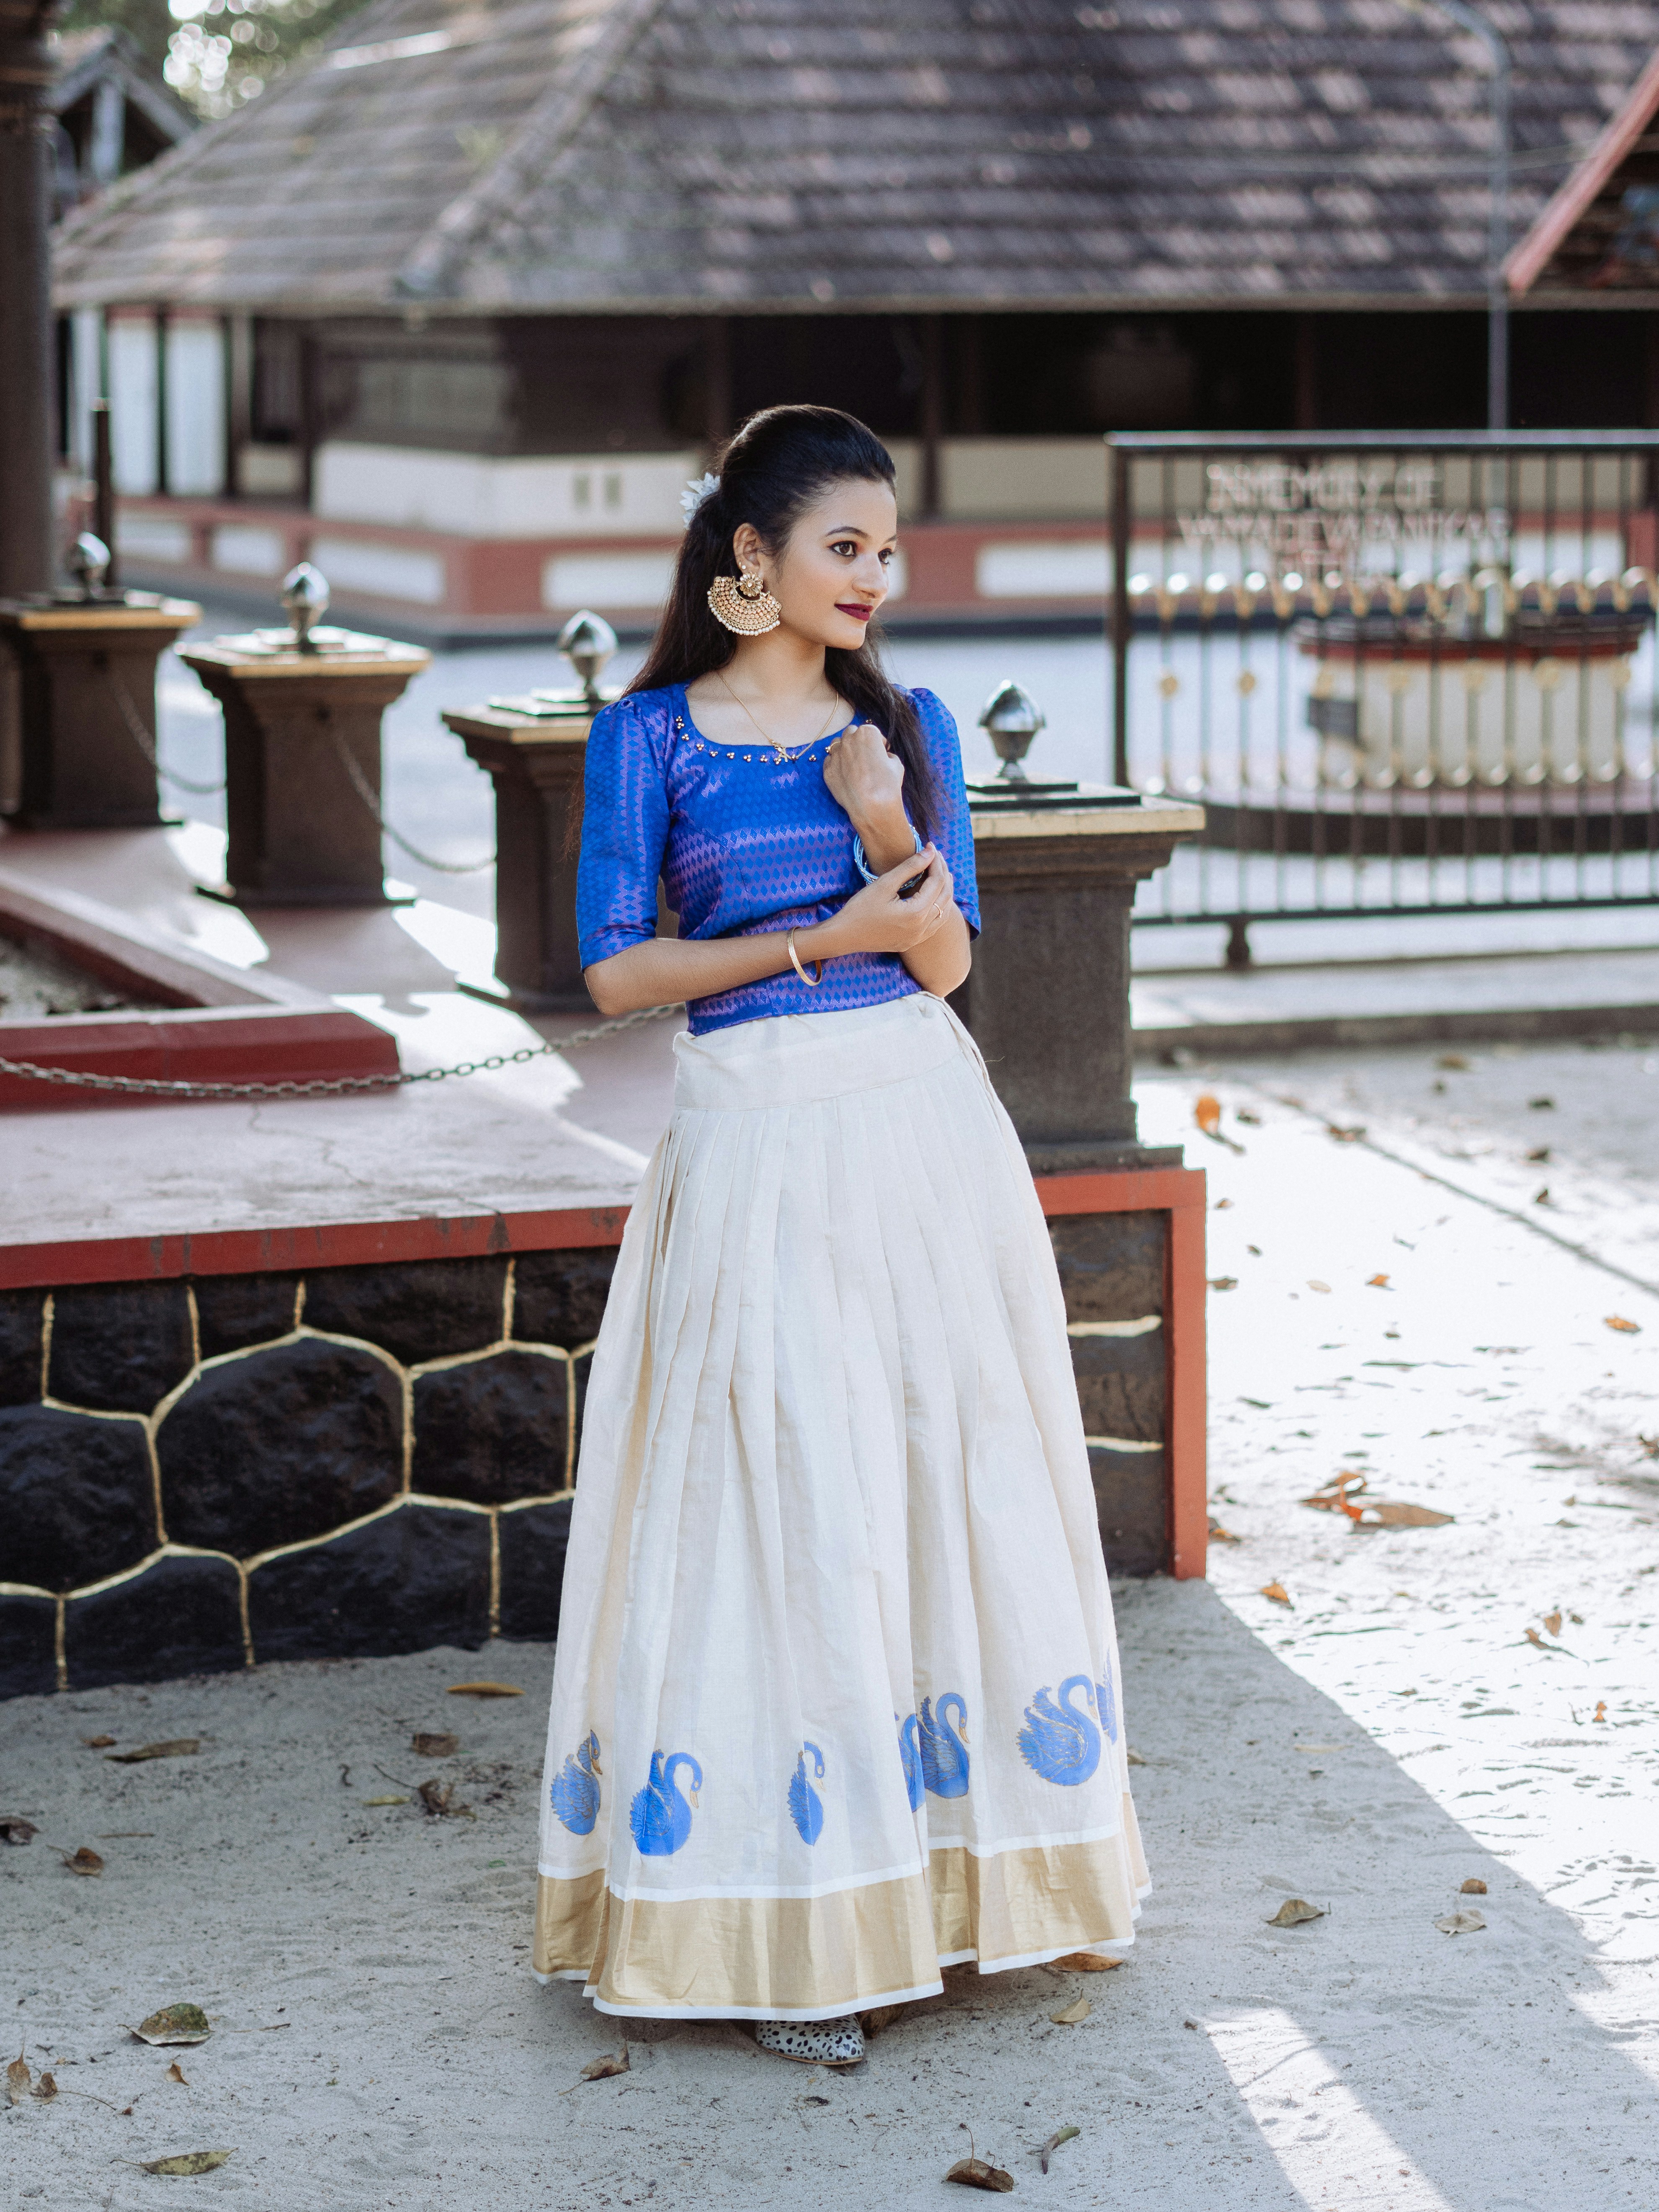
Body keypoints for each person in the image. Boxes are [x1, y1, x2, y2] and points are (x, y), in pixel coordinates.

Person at [533, 405, 1148, 2066]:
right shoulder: (649, 737)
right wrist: (810, 940)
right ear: (751, 555)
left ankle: (944, 1884)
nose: (880, 575)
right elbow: (614, 971)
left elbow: (945, 961)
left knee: (930, 1475)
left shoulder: (908, 724)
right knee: (782, 1493)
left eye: (890, 547)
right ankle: (797, 1916)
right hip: (752, 1140)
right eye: (845, 546)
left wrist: (884, 823)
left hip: (918, 1130)